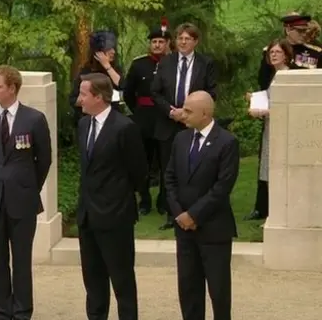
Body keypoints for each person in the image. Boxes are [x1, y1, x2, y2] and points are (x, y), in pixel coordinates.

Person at [68, 72, 148, 320]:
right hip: (88, 212)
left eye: (83, 94)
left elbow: (139, 171)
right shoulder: (83, 125)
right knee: (92, 273)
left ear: (99, 97)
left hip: (115, 212)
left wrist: (124, 199)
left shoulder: (124, 128)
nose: (79, 99)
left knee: (121, 273)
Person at [0, 65, 52, 320]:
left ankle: (22, 315)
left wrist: (27, 186)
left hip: (23, 200)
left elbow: (44, 160)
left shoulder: (34, 119)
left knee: (21, 259)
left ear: (12, 89)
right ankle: (1, 316)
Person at [164, 91, 240, 320]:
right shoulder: (181, 139)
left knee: (218, 289)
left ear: (205, 114)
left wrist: (194, 215)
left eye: (188, 111)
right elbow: (170, 179)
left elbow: (222, 187)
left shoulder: (226, 143)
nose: (182, 114)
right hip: (184, 230)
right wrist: (179, 214)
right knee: (189, 286)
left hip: (213, 229)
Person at [151, 22, 217, 230]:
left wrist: (190, 113)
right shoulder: (166, 62)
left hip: (194, 125)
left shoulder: (205, 64)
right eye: (180, 38)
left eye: (187, 38)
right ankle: (173, 214)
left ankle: (196, 211)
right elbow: (155, 92)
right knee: (170, 170)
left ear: (195, 41)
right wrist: (172, 112)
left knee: (195, 169)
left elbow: (211, 93)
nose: (183, 41)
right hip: (169, 123)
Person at [123, 17, 172, 216]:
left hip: (165, 118)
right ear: (149, 44)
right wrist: (138, 112)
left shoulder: (173, 64)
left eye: (161, 41)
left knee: (165, 161)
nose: (157, 45)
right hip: (143, 119)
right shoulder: (139, 65)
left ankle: (164, 200)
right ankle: (144, 199)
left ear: (168, 44)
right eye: (154, 42)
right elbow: (128, 92)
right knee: (142, 161)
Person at [246, 39, 300, 222]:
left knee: (279, 172)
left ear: (287, 55)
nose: (274, 55)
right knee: (270, 172)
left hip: (282, 131)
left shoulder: (287, 76)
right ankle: (275, 214)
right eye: (271, 53)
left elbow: (288, 106)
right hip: (272, 129)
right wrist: (254, 98)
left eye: (278, 52)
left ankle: (281, 215)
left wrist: (263, 111)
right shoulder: (275, 75)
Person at [70, 30, 125, 128]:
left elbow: (122, 85)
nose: (113, 52)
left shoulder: (115, 70)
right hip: (91, 121)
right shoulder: (86, 72)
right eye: (109, 49)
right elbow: (73, 100)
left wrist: (107, 66)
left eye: (113, 48)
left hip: (113, 119)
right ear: (98, 52)